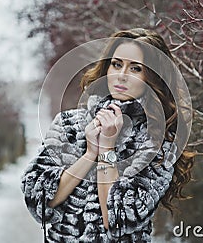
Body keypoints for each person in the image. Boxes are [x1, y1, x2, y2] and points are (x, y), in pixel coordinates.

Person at [21, 28, 194, 242]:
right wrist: (89, 153)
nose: (121, 75)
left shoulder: (157, 144)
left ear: (152, 77)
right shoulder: (69, 125)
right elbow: (38, 201)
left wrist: (107, 149)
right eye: (116, 64)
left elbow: (118, 221)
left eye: (136, 68)